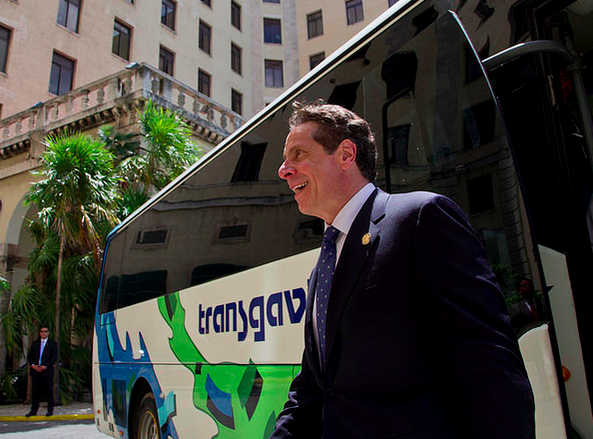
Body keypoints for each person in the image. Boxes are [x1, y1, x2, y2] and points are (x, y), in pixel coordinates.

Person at [270, 102, 535, 439]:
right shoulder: (322, 267)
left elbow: (487, 365)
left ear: (346, 155)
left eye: (298, 154)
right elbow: (313, 386)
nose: (283, 170)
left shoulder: (422, 217)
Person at [26, 326, 58, 417]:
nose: (44, 333)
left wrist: (46, 366)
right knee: (35, 391)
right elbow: (29, 357)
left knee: (48, 390)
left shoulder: (52, 344)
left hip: (47, 371)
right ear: (39, 333)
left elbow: (54, 357)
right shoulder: (35, 344)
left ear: (48, 333)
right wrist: (33, 366)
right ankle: (33, 410)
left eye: (45, 331)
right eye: (42, 331)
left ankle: (50, 410)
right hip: (36, 371)